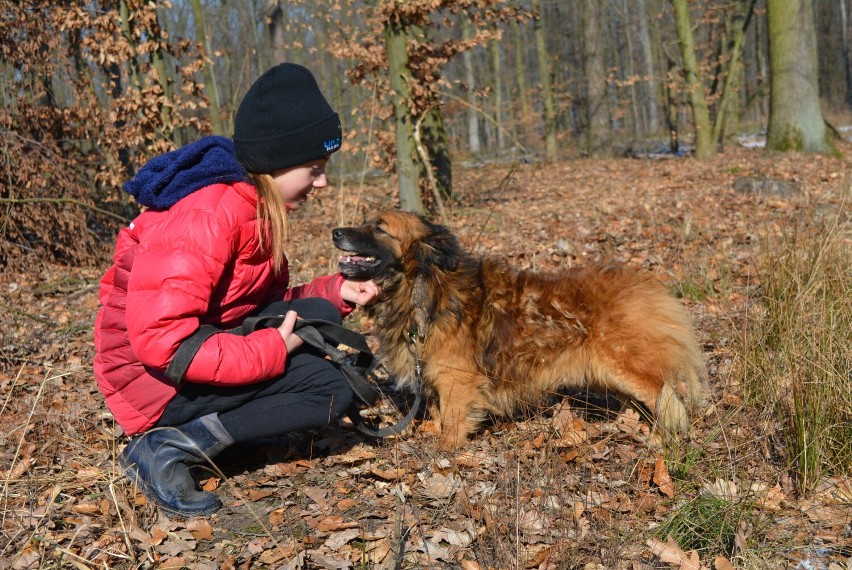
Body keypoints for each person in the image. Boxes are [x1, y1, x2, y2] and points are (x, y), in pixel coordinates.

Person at [93, 63, 379, 518]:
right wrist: (270, 350)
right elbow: (165, 344)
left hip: (189, 355)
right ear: (277, 161)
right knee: (326, 388)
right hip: (153, 385)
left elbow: (258, 307)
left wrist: (337, 292)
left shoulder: (250, 205)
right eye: (314, 168)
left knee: (312, 318)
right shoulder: (207, 215)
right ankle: (165, 447)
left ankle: (222, 432)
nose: (323, 182)